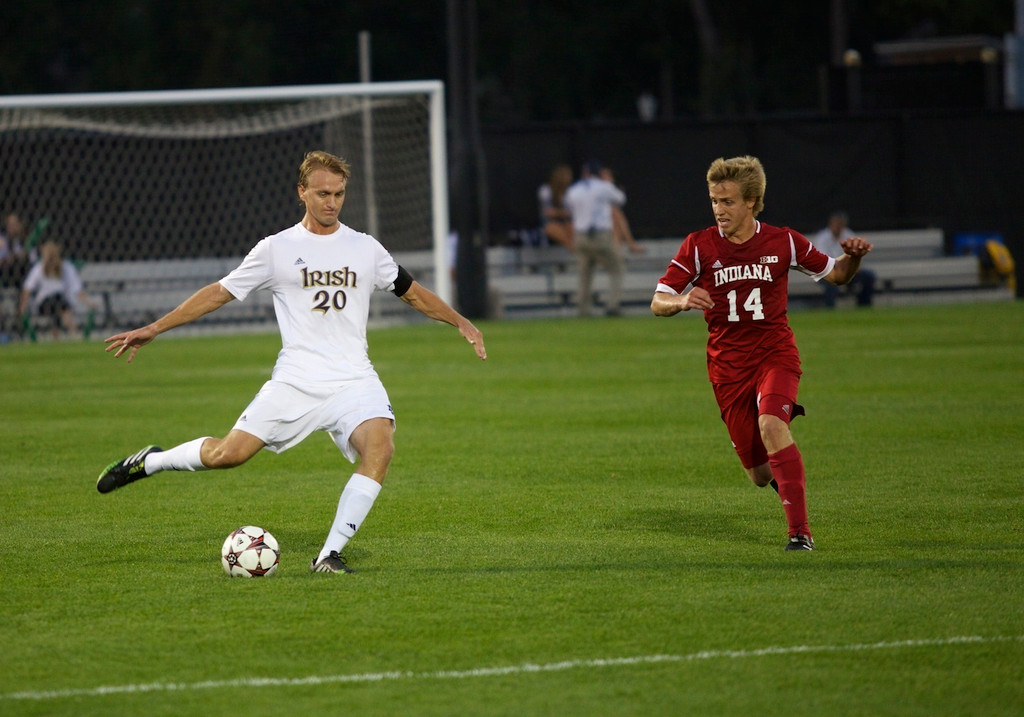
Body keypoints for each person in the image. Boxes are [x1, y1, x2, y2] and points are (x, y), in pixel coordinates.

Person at [97, 150, 487, 574]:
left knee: (381, 447)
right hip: (296, 381)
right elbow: (218, 293)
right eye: (322, 193)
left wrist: (459, 320)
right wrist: (155, 327)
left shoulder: (365, 248)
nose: (331, 202)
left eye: (338, 193)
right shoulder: (276, 249)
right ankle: (150, 461)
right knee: (228, 455)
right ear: (302, 192)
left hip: (354, 379)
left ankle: (328, 555)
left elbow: (411, 291)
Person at [651, 156, 873, 551]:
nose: (719, 210)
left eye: (728, 201)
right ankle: (788, 481)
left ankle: (799, 532)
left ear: (752, 201)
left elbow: (837, 275)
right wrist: (682, 301)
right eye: (714, 201)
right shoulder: (699, 246)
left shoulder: (783, 241)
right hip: (727, 369)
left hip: (775, 354)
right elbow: (658, 301)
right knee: (757, 473)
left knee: (772, 424)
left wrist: (853, 257)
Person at [563, 160, 630, 316]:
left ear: (584, 174)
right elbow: (621, 199)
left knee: (584, 273)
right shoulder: (604, 187)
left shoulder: (574, 189)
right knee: (617, 269)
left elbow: (568, 207)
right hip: (600, 235)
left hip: (580, 235)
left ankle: (583, 309)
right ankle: (612, 306)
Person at [18, 240, 96, 340]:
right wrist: (23, 306)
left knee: (59, 303)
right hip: (45, 302)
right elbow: (28, 288)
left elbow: (77, 289)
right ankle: (73, 333)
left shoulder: (66, 267)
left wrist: (89, 302)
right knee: (58, 304)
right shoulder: (39, 268)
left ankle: (63, 335)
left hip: (61, 301)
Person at [812, 211, 876, 308]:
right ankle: (830, 309)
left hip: (847, 270)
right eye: (836, 223)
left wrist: (854, 266)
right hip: (827, 272)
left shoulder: (849, 235)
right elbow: (823, 261)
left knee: (869, 276)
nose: (838, 226)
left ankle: (864, 307)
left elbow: (855, 255)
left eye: (840, 224)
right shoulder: (822, 238)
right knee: (831, 282)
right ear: (831, 223)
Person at [537, 164, 574, 250]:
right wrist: (563, 213)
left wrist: (559, 213)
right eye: (566, 176)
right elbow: (548, 213)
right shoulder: (546, 190)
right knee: (553, 229)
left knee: (571, 227)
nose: (569, 179)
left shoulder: (570, 192)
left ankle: (580, 251)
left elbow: (571, 213)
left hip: (565, 222)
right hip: (549, 224)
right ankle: (576, 251)